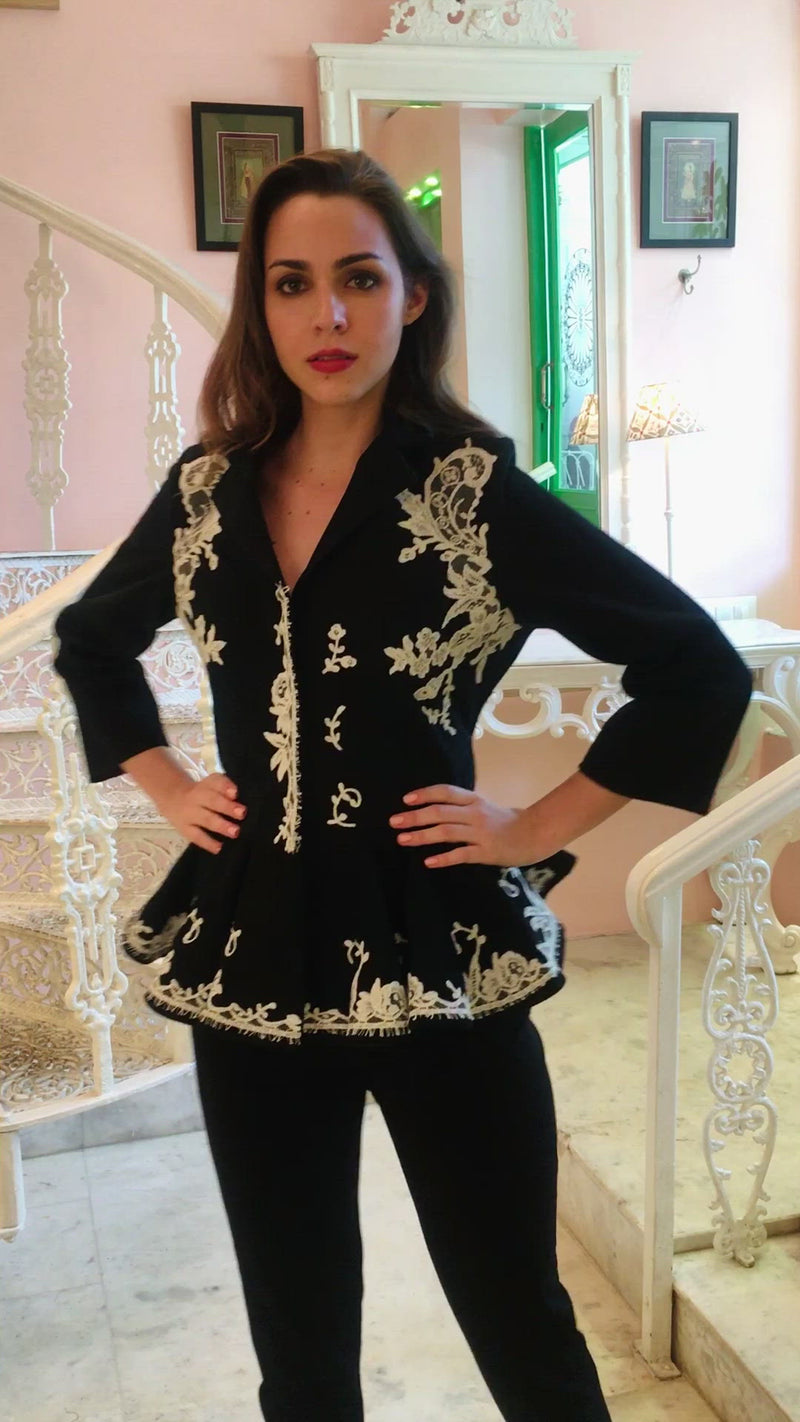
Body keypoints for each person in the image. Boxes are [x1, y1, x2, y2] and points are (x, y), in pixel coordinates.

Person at [53, 148, 752, 1421]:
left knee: (519, 1321)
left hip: (438, 950)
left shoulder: (470, 497)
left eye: (359, 278)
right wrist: (163, 782)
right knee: (299, 1344)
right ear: (261, 305)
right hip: (253, 957)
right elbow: (91, 641)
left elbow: (692, 666)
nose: (326, 314)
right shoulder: (205, 495)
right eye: (291, 282)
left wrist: (532, 825)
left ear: (411, 295)